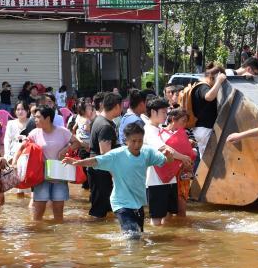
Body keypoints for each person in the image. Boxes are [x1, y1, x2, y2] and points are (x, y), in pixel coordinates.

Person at [64, 123, 173, 238]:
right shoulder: (117, 155)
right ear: (126, 140)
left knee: (139, 235)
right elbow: (97, 160)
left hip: (138, 202)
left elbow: (165, 161)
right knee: (132, 236)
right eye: (133, 141)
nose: (137, 144)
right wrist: (78, 163)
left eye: (140, 141)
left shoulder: (147, 152)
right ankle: (125, 255)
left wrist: (169, 157)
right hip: (121, 203)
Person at [20, 106, 76, 222]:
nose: (35, 120)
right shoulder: (35, 133)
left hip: (59, 174)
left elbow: (77, 143)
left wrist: (66, 149)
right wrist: (14, 162)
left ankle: (58, 237)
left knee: (58, 212)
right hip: (41, 175)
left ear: (48, 118)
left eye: (38, 117)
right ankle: (37, 234)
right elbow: (22, 146)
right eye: (34, 117)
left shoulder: (62, 131)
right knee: (38, 211)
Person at [144, 97, 193, 225]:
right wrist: (183, 157)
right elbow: (164, 148)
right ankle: (158, 243)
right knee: (156, 219)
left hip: (169, 178)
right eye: (163, 112)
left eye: (166, 112)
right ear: (153, 112)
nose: (166, 115)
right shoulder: (148, 130)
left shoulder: (160, 129)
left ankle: (169, 242)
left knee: (169, 216)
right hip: (155, 180)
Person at [88, 92, 122, 219]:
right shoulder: (105, 126)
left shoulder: (99, 120)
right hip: (101, 171)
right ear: (117, 106)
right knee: (99, 209)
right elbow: (105, 154)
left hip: (97, 168)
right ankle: (95, 236)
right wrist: (115, 175)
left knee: (102, 206)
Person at [192, 65, 227, 158]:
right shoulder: (202, 86)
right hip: (204, 129)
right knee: (207, 160)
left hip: (203, 129)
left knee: (206, 158)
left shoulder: (201, 86)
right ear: (212, 78)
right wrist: (219, 81)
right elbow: (208, 97)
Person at [165, 108, 195, 217]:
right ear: (173, 119)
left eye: (186, 121)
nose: (185, 124)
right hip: (168, 175)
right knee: (167, 210)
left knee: (182, 208)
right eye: (183, 121)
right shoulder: (162, 134)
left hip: (182, 174)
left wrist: (191, 144)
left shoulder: (186, 132)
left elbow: (193, 150)